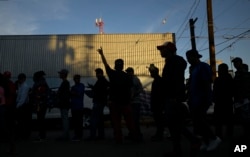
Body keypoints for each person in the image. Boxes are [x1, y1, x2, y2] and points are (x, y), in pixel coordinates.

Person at [157, 42, 199, 157]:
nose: (160, 51)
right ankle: (179, 148)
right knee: (174, 125)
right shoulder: (173, 61)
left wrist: (175, 97)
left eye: (162, 49)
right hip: (172, 97)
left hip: (173, 98)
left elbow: (173, 81)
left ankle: (192, 142)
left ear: (169, 50)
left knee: (175, 124)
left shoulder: (174, 62)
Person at [97, 47, 138, 144]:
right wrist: (130, 99)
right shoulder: (127, 76)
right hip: (125, 103)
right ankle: (135, 137)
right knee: (129, 122)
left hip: (114, 103)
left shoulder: (112, 73)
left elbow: (105, 64)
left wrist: (102, 54)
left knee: (116, 123)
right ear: (123, 66)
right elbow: (131, 89)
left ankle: (119, 139)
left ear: (115, 66)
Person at [186, 49, 221, 152]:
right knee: (197, 122)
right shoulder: (194, 69)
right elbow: (191, 85)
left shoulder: (203, 66)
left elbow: (207, 83)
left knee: (201, 120)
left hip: (201, 98)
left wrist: (208, 98)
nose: (188, 60)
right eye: (187, 58)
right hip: (194, 99)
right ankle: (206, 142)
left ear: (195, 57)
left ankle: (214, 139)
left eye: (189, 58)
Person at [86, 68, 109, 140]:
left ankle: (93, 136)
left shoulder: (101, 81)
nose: (96, 75)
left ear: (100, 73)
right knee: (100, 120)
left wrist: (93, 88)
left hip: (98, 102)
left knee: (94, 119)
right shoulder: (104, 81)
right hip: (101, 102)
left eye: (97, 73)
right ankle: (101, 135)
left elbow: (98, 90)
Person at [212, 63, 234, 139]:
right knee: (227, 120)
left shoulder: (220, 79)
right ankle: (227, 134)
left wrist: (214, 98)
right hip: (225, 101)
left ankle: (219, 135)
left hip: (222, 102)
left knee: (220, 120)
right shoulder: (229, 78)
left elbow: (215, 91)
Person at [232, 57, 250, 141]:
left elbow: (245, 86)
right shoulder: (238, 73)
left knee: (246, 118)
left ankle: (246, 135)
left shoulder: (244, 73)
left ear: (240, 63)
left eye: (236, 63)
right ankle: (245, 134)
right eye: (234, 63)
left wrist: (242, 96)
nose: (235, 64)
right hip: (239, 99)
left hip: (244, 99)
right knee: (242, 119)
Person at [30, 71, 50, 141]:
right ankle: (41, 135)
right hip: (41, 104)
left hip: (40, 104)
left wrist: (34, 95)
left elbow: (40, 94)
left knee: (40, 119)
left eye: (34, 76)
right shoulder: (41, 83)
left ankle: (42, 136)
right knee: (40, 119)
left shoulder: (40, 84)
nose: (33, 78)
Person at [125, 67, 144, 141]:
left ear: (132, 72)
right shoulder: (127, 80)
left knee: (135, 120)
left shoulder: (135, 79)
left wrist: (134, 94)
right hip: (129, 102)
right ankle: (132, 134)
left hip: (135, 102)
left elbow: (140, 89)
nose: (128, 73)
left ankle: (138, 135)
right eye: (127, 72)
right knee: (130, 120)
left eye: (129, 72)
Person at [148, 64, 165, 141]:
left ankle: (159, 135)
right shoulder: (158, 80)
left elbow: (158, 95)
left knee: (159, 121)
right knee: (159, 120)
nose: (150, 74)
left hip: (158, 105)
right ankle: (159, 134)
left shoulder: (158, 81)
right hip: (158, 104)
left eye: (151, 72)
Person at [15, 73, 31, 139]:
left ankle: (24, 135)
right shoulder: (21, 85)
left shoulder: (24, 87)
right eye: (19, 79)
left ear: (24, 79)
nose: (19, 80)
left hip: (23, 106)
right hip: (22, 105)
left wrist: (17, 106)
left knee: (23, 121)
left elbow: (22, 99)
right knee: (22, 121)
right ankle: (23, 135)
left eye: (21, 79)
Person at [57, 69, 71, 141]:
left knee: (65, 119)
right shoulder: (65, 83)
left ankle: (65, 136)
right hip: (65, 104)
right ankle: (66, 135)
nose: (59, 75)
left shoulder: (65, 83)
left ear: (63, 74)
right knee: (65, 119)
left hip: (64, 104)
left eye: (60, 74)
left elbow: (64, 95)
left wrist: (59, 98)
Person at [70, 74, 85, 141]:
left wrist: (73, 92)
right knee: (75, 122)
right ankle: (76, 135)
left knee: (79, 122)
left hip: (79, 107)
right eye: (76, 79)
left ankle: (79, 135)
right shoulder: (74, 87)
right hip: (74, 107)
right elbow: (72, 94)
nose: (77, 80)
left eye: (78, 78)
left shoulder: (81, 85)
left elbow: (78, 93)